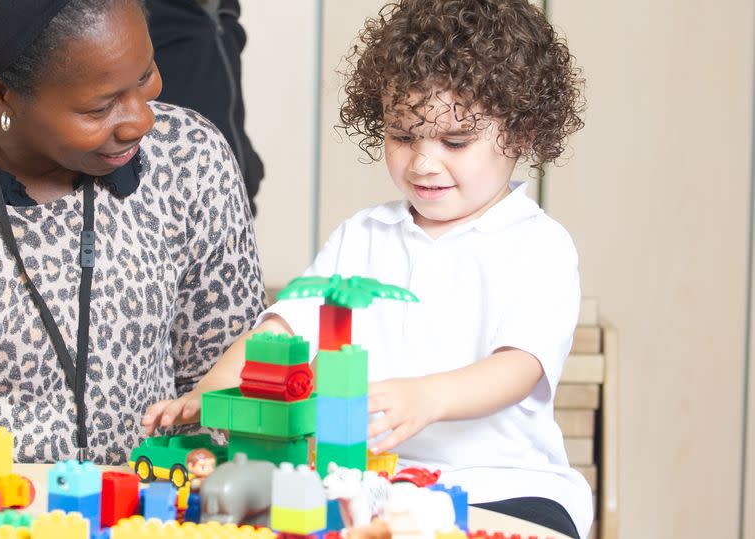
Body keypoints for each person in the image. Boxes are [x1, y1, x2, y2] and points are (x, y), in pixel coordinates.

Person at [143, 0, 589, 536]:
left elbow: (521, 365)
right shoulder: (363, 235)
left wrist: (428, 397)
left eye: (454, 141)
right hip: (374, 482)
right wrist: (215, 390)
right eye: (403, 136)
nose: (423, 163)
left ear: (521, 133)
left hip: (508, 487)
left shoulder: (539, 245)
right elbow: (286, 326)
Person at [0, 0, 265, 465]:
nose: (142, 120)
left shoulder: (189, 157)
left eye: (145, 75)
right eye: (99, 108)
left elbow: (228, 378)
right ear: (1, 92)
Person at [146, 0, 265, 215]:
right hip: (170, 211)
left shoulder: (225, 14)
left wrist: (248, 165)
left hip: (235, 208)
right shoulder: (141, 16)